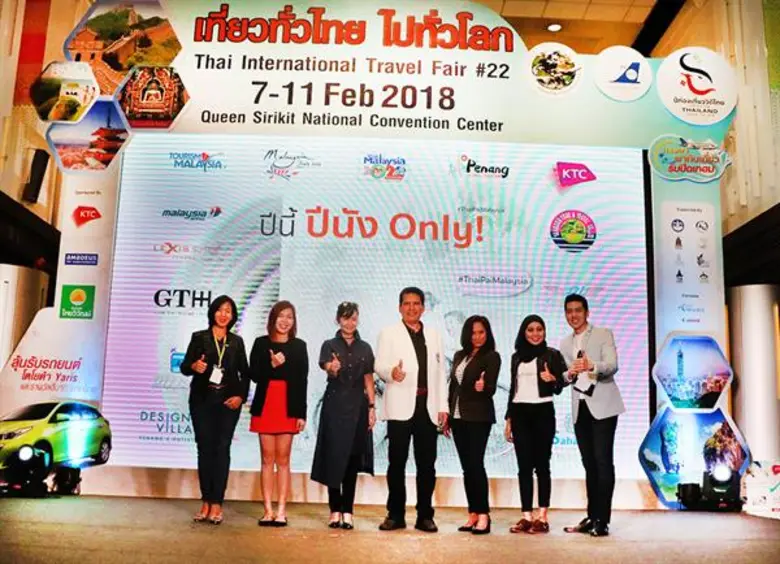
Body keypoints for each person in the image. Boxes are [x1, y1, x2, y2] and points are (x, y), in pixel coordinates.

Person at [375, 287, 448, 533]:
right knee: (396, 464)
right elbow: (379, 365)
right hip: (400, 407)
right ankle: (395, 515)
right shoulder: (388, 333)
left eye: (416, 303)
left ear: (423, 308)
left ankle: (425, 515)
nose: (412, 308)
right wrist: (391, 373)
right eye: (407, 303)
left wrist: (443, 406)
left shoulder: (434, 335)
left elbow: (441, 373)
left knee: (427, 465)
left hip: (427, 407)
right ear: (399, 307)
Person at [180, 295, 249, 525]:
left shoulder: (236, 342)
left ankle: (217, 503)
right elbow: (184, 367)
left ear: (233, 316)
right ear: (213, 312)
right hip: (202, 401)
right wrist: (193, 365)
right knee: (205, 450)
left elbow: (245, 373)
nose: (223, 314)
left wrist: (240, 396)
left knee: (222, 449)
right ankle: (206, 502)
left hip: (228, 403)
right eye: (220, 310)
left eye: (228, 311)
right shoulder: (199, 337)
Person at [559, 294, 624, 537]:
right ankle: (592, 515)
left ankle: (602, 520)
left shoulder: (603, 334)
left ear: (587, 312)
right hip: (580, 407)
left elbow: (612, 365)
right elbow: (565, 377)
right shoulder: (565, 343)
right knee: (589, 464)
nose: (573, 315)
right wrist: (569, 374)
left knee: (603, 461)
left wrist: (591, 365)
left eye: (578, 310)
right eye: (569, 311)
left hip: (603, 406)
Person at [311, 302, 377, 530]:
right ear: (338, 319)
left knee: (351, 459)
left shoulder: (365, 348)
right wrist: (332, 367)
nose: (350, 323)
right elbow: (326, 366)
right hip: (334, 407)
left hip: (358, 407)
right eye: (345, 318)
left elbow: (368, 378)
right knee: (333, 456)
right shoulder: (329, 345)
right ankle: (334, 510)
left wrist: (372, 407)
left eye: (353, 318)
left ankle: (348, 511)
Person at [504, 314, 567, 534]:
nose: (535, 333)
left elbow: (561, 385)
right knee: (524, 467)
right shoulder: (516, 357)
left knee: (542, 466)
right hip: (519, 412)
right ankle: (526, 516)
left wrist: (553, 380)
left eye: (539, 329)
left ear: (544, 332)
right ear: (524, 332)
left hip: (543, 412)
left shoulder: (552, 354)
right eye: (530, 330)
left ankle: (542, 517)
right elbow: (513, 389)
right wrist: (509, 419)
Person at [249, 300, 309, 527]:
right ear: (273, 319)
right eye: (281, 316)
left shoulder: (299, 346)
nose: (285, 321)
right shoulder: (261, 343)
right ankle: (267, 510)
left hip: (288, 406)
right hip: (266, 404)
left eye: (289, 317)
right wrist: (272, 365)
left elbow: (302, 381)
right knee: (267, 459)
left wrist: (301, 414)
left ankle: (282, 510)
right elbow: (254, 374)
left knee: (283, 459)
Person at [448, 315, 501, 535]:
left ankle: (484, 515)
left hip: (478, 416)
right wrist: (448, 414)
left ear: (487, 334)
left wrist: (483, 386)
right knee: (466, 467)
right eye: (473, 333)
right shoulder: (459, 355)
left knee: (476, 464)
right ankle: (472, 513)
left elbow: (491, 386)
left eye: (481, 332)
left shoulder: (492, 356)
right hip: (457, 416)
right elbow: (453, 386)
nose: (477, 337)